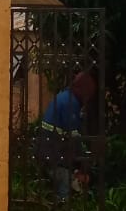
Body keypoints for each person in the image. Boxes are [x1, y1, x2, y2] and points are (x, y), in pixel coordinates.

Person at [35, 71, 97, 201]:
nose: (88, 99)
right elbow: (74, 137)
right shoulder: (71, 103)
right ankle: (62, 208)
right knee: (64, 187)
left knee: (63, 180)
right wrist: (84, 164)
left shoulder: (66, 97)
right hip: (53, 154)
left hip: (49, 151)